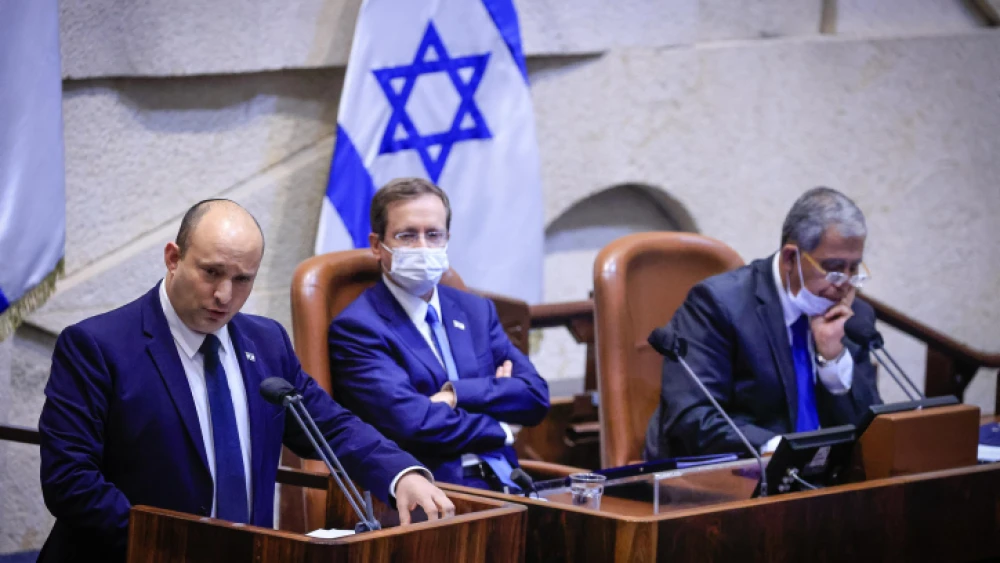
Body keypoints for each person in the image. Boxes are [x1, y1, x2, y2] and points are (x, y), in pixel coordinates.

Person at [38, 199, 453, 562]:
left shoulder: (266, 341)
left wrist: (401, 474)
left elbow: (328, 425)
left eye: (242, 280)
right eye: (211, 272)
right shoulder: (97, 346)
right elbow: (70, 481)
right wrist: (169, 547)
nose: (224, 296)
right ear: (172, 258)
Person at [328, 178, 550, 492]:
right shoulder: (359, 328)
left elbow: (535, 396)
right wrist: (500, 424)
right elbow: (413, 423)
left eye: (433, 234)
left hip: (511, 481)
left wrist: (454, 395)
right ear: (377, 245)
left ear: (447, 239)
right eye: (407, 236)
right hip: (436, 490)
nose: (423, 247)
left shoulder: (475, 310)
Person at [644, 187, 882, 459]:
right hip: (732, 479)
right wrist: (780, 451)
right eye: (834, 269)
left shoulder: (851, 317)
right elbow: (692, 418)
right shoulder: (719, 305)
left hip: (820, 484)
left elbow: (869, 427)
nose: (845, 285)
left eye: (854, 269)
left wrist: (833, 361)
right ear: (791, 258)